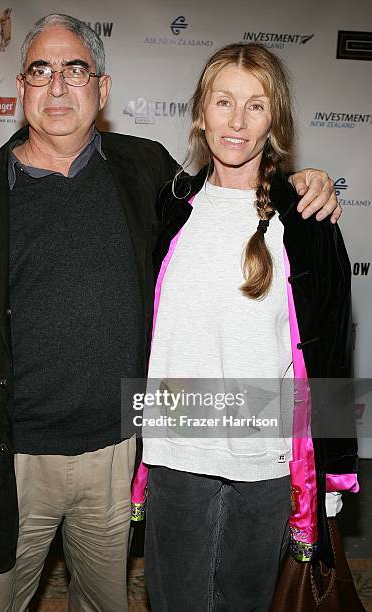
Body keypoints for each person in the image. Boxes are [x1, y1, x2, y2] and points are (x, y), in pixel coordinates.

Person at [0, 14, 342, 612]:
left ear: (103, 88)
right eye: (42, 71)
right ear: (19, 88)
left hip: (118, 453)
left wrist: (306, 183)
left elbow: (236, 193)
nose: (59, 87)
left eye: (76, 70)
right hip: (10, 461)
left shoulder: (147, 174)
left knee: (109, 603)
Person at [137, 43, 359, 611]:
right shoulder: (171, 204)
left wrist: (332, 478)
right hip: (175, 451)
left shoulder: (306, 219)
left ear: (275, 121)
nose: (236, 121)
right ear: (200, 112)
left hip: (265, 459)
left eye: (255, 106)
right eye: (223, 102)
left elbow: (332, 348)